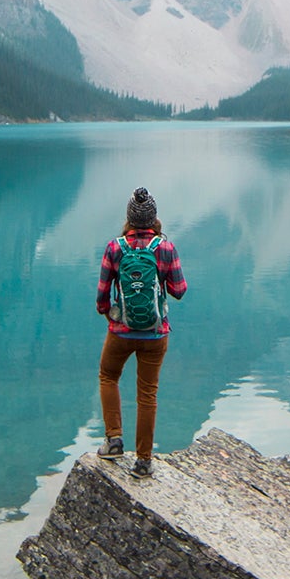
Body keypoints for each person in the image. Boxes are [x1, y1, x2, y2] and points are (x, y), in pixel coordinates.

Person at [94, 187, 186, 478]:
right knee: (147, 393)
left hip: (121, 332)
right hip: (156, 334)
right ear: (154, 218)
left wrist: (110, 313)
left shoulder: (114, 248)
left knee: (109, 376)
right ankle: (144, 461)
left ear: (129, 218)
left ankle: (114, 440)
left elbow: (101, 297)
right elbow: (180, 291)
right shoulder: (165, 248)